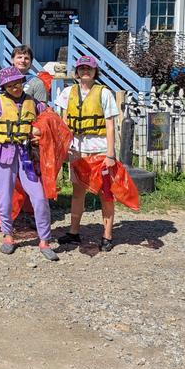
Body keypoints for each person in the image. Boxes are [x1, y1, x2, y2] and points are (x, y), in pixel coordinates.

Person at [0, 66, 57, 261]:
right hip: (3, 154)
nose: (15, 87)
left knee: (39, 197)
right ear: (4, 87)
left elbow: (48, 122)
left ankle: (44, 240)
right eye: (10, 85)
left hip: (26, 155)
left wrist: (41, 133)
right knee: (4, 197)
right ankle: (8, 235)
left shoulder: (34, 103)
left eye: (17, 83)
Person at [55, 55, 119, 251]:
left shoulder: (104, 93)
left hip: (99, 150)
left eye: (89, 68)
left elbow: (110, 126)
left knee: (105, 193)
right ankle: (74, 232)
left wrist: (110, 154)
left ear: (94, 72)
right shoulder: (68, 92)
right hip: (77, 150)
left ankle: (107, 235)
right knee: (78, 192)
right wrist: (63, 146)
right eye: (82, 68)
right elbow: (64, 122)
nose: (85, 71)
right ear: (76, 72)